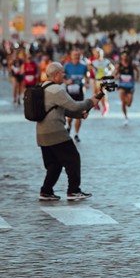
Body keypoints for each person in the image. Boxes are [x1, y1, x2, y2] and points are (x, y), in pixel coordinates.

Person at [37, 62, 99, 201]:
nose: (64, 75)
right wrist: (91, 102)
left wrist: (79, 115)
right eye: (63, 72)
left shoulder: (42, 88)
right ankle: (74, 191)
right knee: (73, 159)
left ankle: (46, 191)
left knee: (54, 164)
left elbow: (60, 109)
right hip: (56, 132)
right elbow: (74, 105)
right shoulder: (57, 90)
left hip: (41, 133)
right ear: (57, 74)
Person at [64, 50, 90, 143]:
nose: (76, 57)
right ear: (71, 56)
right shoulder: (67, 66)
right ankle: (68, 126)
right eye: (75, 55)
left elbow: (87, 76)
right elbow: (61, 77)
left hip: (79, 91)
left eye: (78, 55)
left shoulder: (83, 66)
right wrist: (66, 82)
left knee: (79, 114)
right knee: (70, 116)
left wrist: (87, 83)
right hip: (69, 92)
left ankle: (76, 134)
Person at [114, 52, 140, 126]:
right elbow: (115, 73)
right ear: (121, 57)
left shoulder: (132, 65)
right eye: (123, 56)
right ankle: (125, 117)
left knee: (129, 104)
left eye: (126, 56)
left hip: (130, 86)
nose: (125, 58)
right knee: (123, 102)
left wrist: (137, 77)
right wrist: (115, 76)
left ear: (128, 57)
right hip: (122, 85)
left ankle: (126, 102)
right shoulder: (119, 65)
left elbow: (137, 71)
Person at [89, 48, 115, 116]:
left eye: (99, 53)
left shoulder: (106, 61)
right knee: (97, 93)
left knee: (103, 92)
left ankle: (105, 106)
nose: (98, 55)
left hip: (104, 79)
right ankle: (97, 105)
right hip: (97, 79)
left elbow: (112, 68)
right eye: (96, 53)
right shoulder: (93, 62)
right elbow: (90, 70)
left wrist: (108, 73)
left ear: (102, 54)